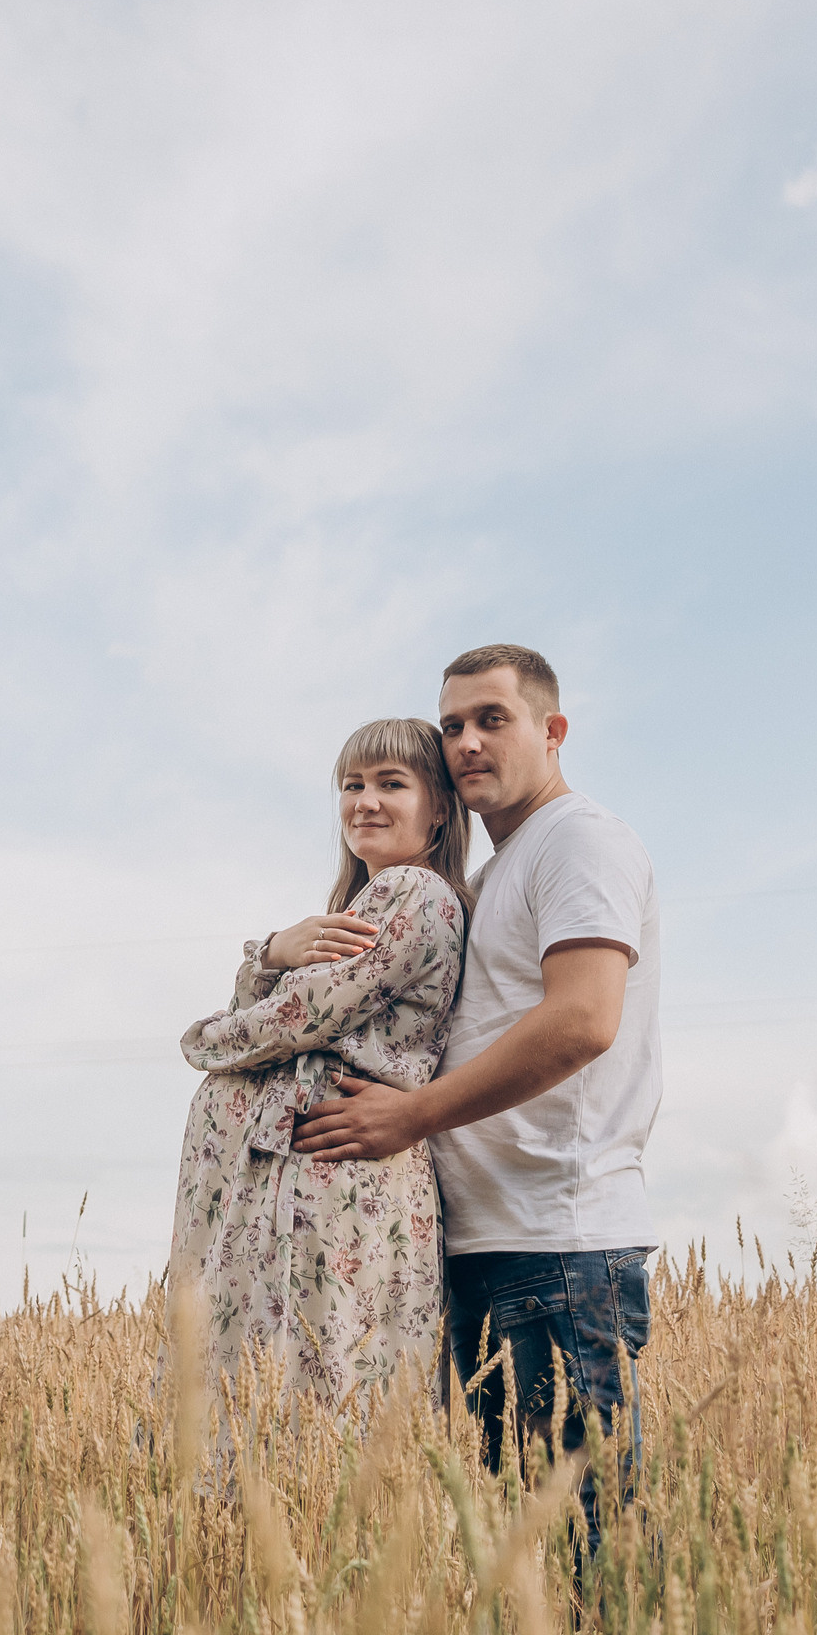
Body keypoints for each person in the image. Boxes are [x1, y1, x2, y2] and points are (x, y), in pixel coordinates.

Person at [296, 644, 660, 1543]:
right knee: (525, 1543)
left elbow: (584, 1020)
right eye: (453, 724)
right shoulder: (494, 874)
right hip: (489, 1244)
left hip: (560, 1248)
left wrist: (411, 1115)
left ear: (553, 730)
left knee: (590, 1540)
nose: (466, 741)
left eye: (492, 719)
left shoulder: (581, 839)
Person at [168, 718, 471, 1407]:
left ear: (440, 809)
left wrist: (203, 1039)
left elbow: (294, 1018)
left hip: (335, 1187)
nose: (365, 800)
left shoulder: (414, 895)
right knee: (285, 1390)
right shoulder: (355, 908)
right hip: (295, 1186)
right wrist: (273, 952)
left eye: (391, 784)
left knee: (330, 1379)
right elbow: (280, 1005)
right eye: (351, 784)